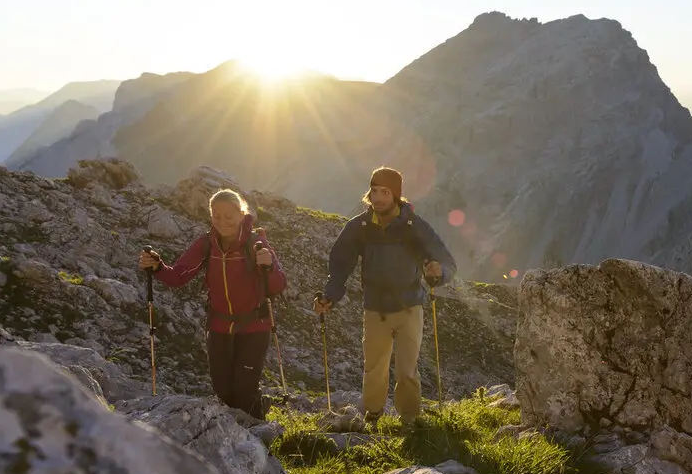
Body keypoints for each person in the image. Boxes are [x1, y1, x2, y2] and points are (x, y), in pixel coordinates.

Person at [313, 166, 457, 426]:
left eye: (384, 192)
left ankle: (410, 421)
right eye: (374, 191)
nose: (378, 198)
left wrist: (439, 273)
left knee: (407, 370)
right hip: (376, 308)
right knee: (374, 368)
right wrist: (329, 296)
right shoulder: (359, 227)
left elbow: (446, 261)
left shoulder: (414, 226)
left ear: (396, 195)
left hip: (410, 306)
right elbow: (340, 265)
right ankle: (372, 416)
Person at [137, 188, 286, 418]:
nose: (222, 221)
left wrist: (268, 266)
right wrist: (157, 266)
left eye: (228, 216)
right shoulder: (206, 244)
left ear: (241, 214)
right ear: (210, 216)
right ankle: (240, 432)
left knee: (244, 391)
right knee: (223, 391)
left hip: (254, 327)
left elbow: (278, 284)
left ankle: (259, 435)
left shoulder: (256, 244)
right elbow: (179, 275)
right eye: (216, 215)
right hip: (219, 328)